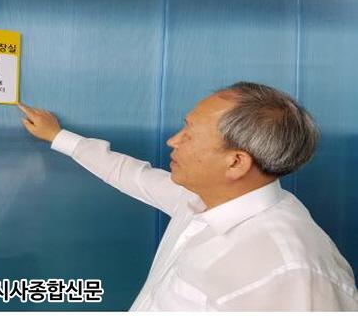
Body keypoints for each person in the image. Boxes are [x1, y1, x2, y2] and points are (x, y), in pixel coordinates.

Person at [18, 81, 358, 311]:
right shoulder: (201, 199)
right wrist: (58, 136)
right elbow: (132, 175)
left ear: (236, 162)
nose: (173, 141)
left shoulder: (292, 271)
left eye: (189, 134)